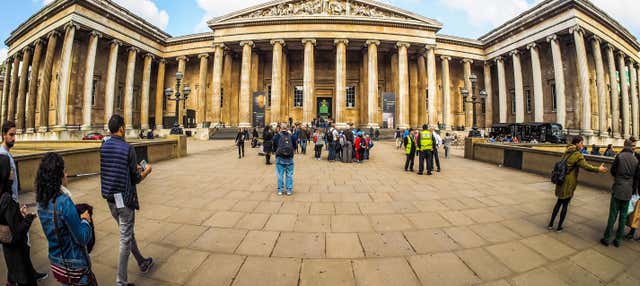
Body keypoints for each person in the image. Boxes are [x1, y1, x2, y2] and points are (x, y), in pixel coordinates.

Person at [101, 115, 154, 286]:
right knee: (125, 239)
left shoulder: (104, 146)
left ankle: (141, 262)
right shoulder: (128, 148)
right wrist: (145, 171)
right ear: (122, 128)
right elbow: (136, 178)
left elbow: (113, 169)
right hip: (124, 199)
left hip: (110, 199)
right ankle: (121, 282)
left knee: (128, 233)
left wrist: (132, 167)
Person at [36, 153, 96, 285]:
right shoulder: (64, 202)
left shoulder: (41, 203)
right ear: (58, 176)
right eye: (64, 171)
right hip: (73, 264)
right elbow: (82, 238)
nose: (66, 174)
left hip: (56, 262)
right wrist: (85, 220)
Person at [548, 136, 607, 232]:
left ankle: (550, 224)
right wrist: (598, 169)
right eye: (581, 143)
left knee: (559, 202)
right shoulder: (577, 155)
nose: (582, 145)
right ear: (577, 143)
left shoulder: (567, 151)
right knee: (565, 204)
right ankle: (559, 227)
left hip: (560, 179)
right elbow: (586, 166)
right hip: (568, 182)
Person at [0, 154, 41, 286]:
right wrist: (29, 218)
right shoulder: (6, 198)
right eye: (10, 169)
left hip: (9, 252)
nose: (13, 171)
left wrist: (18, 214)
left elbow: (7, 219)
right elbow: (18, 232)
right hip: (18, 254)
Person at [600, 138, 639, 247]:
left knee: (612, 215)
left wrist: (618, 178)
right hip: (628, 190)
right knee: (623, 216)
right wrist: (632, 189)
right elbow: (636, 177)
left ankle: (607, 238)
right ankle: (618, 240)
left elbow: (613, 170)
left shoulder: (619, 157)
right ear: (631, 147)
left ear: (624, 146)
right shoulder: (635, 160)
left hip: (618, 188)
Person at [273, 126, 295, 195]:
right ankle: (289, 190)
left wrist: (276, 152)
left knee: (280, 175)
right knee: (289, 175)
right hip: (289, 158)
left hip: (280, 157)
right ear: (287, 129)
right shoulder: (291, 136)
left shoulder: (277, 136)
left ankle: (280, 190)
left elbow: (274, 146)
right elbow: (295, 146)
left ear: (281, 129)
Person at [0, 121, 19, 202]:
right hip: (8, 204)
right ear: (4, 135)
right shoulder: (3, 155)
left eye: (15, 135)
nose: (14, 138)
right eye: (11, 135)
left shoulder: (7, 154)